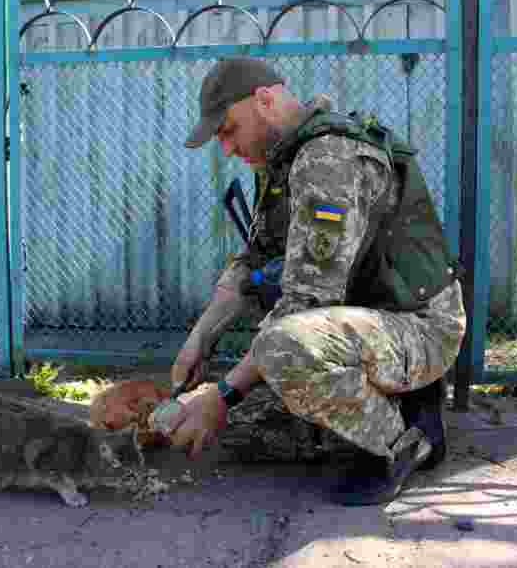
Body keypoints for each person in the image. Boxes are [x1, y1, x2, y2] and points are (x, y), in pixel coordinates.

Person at [164, 57, 467, 506]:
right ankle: (403, 401)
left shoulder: (328, 159)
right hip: (372, 321)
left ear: (264, 101)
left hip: (420, 328)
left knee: (282, 348)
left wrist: (221, 396)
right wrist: (198, 340)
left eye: (228, 129)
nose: (225, 148)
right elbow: (254, 261)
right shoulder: (283, 158)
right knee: (262, 426)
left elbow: (305, 302)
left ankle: (407, 439)